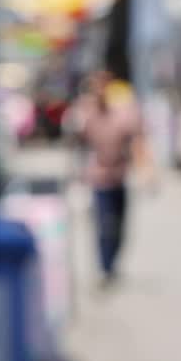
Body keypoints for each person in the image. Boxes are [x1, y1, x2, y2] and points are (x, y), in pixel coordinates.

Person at [74, 70, 147, 285]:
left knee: (119, 225)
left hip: (119, 175)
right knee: (104, 224)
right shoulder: (86, 113)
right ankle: (105, 267)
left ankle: (112, 262)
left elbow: (135, 141)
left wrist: (144, 168)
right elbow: (77, 141)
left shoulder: (122, 113)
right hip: (98, 177)